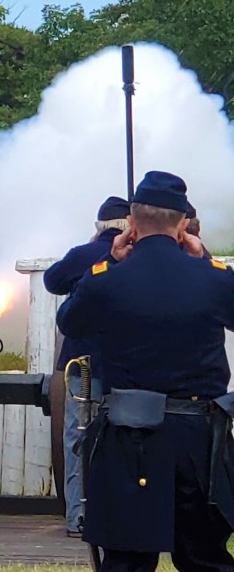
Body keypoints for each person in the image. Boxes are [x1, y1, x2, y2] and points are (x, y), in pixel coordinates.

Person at [57, 170, 234, 571]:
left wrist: (107, 260)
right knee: (206, 559)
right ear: (184, 224)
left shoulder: (107, 280)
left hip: (128, 440)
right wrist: (203, 260)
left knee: (126, 562)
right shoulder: (214, 279)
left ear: (132, 224)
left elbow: (70, 321)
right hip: (198, 442)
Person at [44, 196, 130, 538]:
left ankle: (78, 515)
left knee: (77, 438)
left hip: (80, 364)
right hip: (123, 364)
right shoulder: (136, 256)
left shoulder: (83, 255)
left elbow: (53, 281)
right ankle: (119, 514)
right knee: (124, 438)